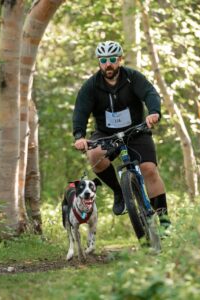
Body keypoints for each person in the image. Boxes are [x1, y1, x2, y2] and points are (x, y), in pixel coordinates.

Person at [72, 40, 170, 229]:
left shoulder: (132, 77)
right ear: (99, 62)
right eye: (103, 60)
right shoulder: (91, 86)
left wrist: (154, 112)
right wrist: (79, 136)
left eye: (112, 59)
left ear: (119, 59)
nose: (108, 64)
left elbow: (150, 93)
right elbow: (80, 111)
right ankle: (119, 192)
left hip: (136, 131)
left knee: (149, 169)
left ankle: (164, 220)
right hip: (106, 133)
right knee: (93, 155)